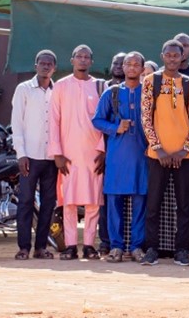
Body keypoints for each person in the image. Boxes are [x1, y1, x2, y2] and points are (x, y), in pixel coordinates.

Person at [139, 39, 189, 266]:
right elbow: (146, 117)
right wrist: (159, 148)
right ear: (163, 56)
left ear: (183, 56)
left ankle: (182, 250)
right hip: (158, 155)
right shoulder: (151, 81)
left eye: (177, 55)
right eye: (169, 55)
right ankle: (152, 249)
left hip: (184, 157)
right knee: (153, 204)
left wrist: (184, 149)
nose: (173, 58)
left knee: (185, 205)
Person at [48, 45, 107, 260]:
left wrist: (103, 150)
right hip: (68, 154)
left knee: (93, 202)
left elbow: (107, 120)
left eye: (86, 57)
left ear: (91, 61)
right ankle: (71, 245)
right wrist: (57, 153)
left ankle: (90, 245)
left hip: (93, 153)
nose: (82, 60)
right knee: (69, 202)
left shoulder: (101, 87)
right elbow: (53, 121)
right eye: (79, 56)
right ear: (72, 60)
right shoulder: (61, 86)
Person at [93, 50, 148, 262]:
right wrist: (116, 127)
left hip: (142, 158)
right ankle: (116, 247)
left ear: (143, 70)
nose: (132, 67)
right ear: (122, 68)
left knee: (140, 203)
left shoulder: (149, 94)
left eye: (136, 64)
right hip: (116, 158)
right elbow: (97, 120)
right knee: (114, 203)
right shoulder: (112, 93)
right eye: (128, 64)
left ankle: (136, 247)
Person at [13, 51, 58, 261]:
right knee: (25, 202)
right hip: (29, 156)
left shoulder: (57, 91)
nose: (45, 66)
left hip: (51, 158)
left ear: (54, 68)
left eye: (49, 64)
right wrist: (20, 154)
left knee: (48, 203)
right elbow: (17, 124)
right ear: (36, 65)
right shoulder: (23, 90)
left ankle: (41, 247)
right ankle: (23, 247)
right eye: (42, 63)